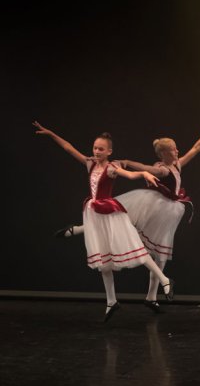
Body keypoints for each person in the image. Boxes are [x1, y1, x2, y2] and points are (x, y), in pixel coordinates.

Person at [55, 120, 200, 313]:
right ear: (164, 154)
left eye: (176, 149)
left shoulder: (177, 165)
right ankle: (79, 229)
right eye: (173, 150)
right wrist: (132, 166)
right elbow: (144, 168)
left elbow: (196, 148)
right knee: (123, 227)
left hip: (168, 211)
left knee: (158, 255)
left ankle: (151, 297)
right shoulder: (162, 169)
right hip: (156, 208)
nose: (177, 151)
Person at [33, 121, 175, 321]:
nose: (97, 151)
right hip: (95, 214)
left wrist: (143, 173)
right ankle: (111, 301)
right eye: (95, 148)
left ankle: (164, 279)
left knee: (136, 249)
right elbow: (68, 148)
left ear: (109, 151)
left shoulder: (111, 168)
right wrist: (51, 134)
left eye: (101, 149)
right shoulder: (90, 163)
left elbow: (129, 174)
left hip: (111, 214)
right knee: (103, 261)